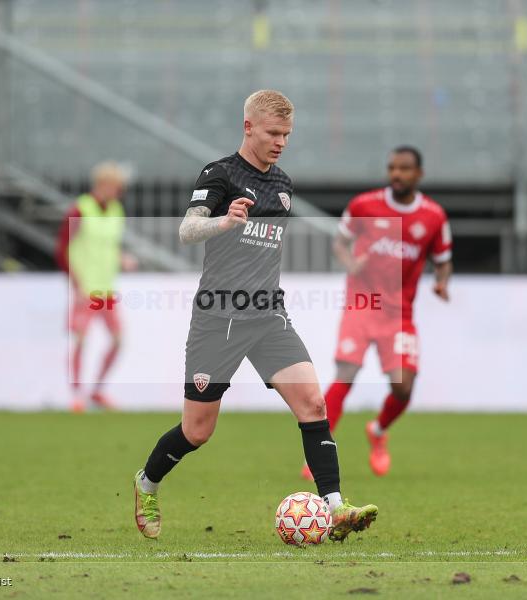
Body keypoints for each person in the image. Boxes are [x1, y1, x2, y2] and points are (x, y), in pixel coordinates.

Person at [133, 90, 378, 541]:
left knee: (313, 403)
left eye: (286, 134)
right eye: (272, 133)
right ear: (248, 127)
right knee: (197, 430)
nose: (280, 141)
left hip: (268, 314)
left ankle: (337, 508)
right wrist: (223, 222)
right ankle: (146, 484)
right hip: (218, 318)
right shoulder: (219, 174)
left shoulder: (283, 184)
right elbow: (187, 230)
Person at [302, 146, 452, 479]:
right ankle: (318, 453)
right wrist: (351, 261)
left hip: (398, 314)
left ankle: (378, 431)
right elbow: (339, 243)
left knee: (403, 389)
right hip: (361, 303)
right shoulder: (364, 205)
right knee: (345, 374)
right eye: (392, 168)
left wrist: (442, 284)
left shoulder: (433, 217)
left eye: (404, 169)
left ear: (419, 174)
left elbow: (443, 262)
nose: (396, 174)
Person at [55, 161, 137, 412]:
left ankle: (98, 390)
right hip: (85, 289)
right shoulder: (79, 210)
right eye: (114, 187)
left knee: (118, 340)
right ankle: (77, 396)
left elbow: (108, 246)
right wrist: (75, 282)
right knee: (81, 340)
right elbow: (61, 250)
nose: (116, 193)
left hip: (106, 289)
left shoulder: (116, 210)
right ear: (102, 185)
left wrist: (120, 257)